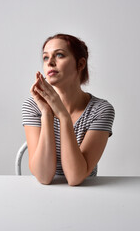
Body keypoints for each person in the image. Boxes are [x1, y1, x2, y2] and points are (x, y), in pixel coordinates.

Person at [22, 33, 115, 186]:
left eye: (59, 55)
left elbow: (75, 177)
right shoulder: (33, 106)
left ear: (80, 64)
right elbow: (44, 177)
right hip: (45, 195)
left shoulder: (101, 110)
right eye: (45, 57)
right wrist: (46, 113)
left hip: (87, 194)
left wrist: (63, 116)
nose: (50, 62)